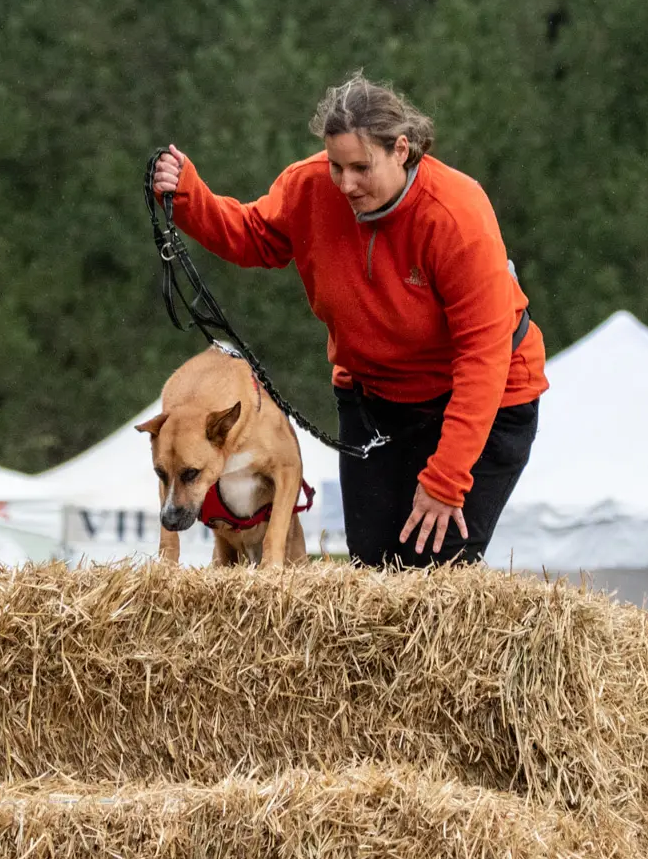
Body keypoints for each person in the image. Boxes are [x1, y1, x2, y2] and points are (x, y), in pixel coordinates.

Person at [150, 74, 547, 567]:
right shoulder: (310, 184)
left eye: (361, 167)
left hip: (484, 398)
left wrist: (446, 479)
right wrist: (187, 194)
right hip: (376, 398)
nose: (346, 183)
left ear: (402, 149)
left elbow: (483, 360)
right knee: (372, 563)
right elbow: (254, 235)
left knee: (431, 568)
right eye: (336, 166)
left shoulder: (457, 215)